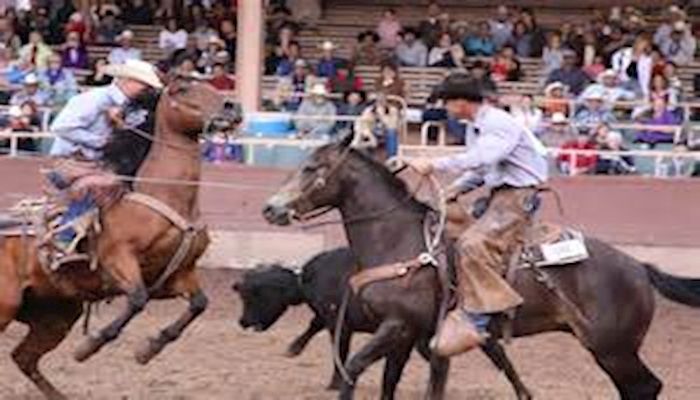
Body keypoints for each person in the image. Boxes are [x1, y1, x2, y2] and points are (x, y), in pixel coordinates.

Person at [407, 74, 548, 357]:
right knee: (447, 229)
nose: (445, 108)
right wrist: (454, 189)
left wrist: (434, 164)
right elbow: (482, 170)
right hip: (499, 196)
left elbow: (482, 158)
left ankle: (478, 319)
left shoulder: (497, 123)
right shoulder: (477, 127)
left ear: (460, 102)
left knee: (473, 244)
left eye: (447, 102)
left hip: (518, 197)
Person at [47, 59, 164, 251]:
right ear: (128, 81)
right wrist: (102, 142)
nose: (147, 91)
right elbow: (61, 126)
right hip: (72, 162)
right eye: (144, 85)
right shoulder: (95, 99)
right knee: (96, 185)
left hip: (97, 163)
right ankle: (65, 237)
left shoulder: (130, 108)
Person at [354, 92, 402, 157]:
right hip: (372, 132)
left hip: (386, 131)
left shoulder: (392, 110)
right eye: (378, 101)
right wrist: (369, 134)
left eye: (382, 101)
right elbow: (363, 123)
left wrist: (382, 115)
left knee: (392, 132)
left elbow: (392, 126)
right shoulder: (369, 110)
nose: (380, 103)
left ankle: (392, 157)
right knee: (361, 134)